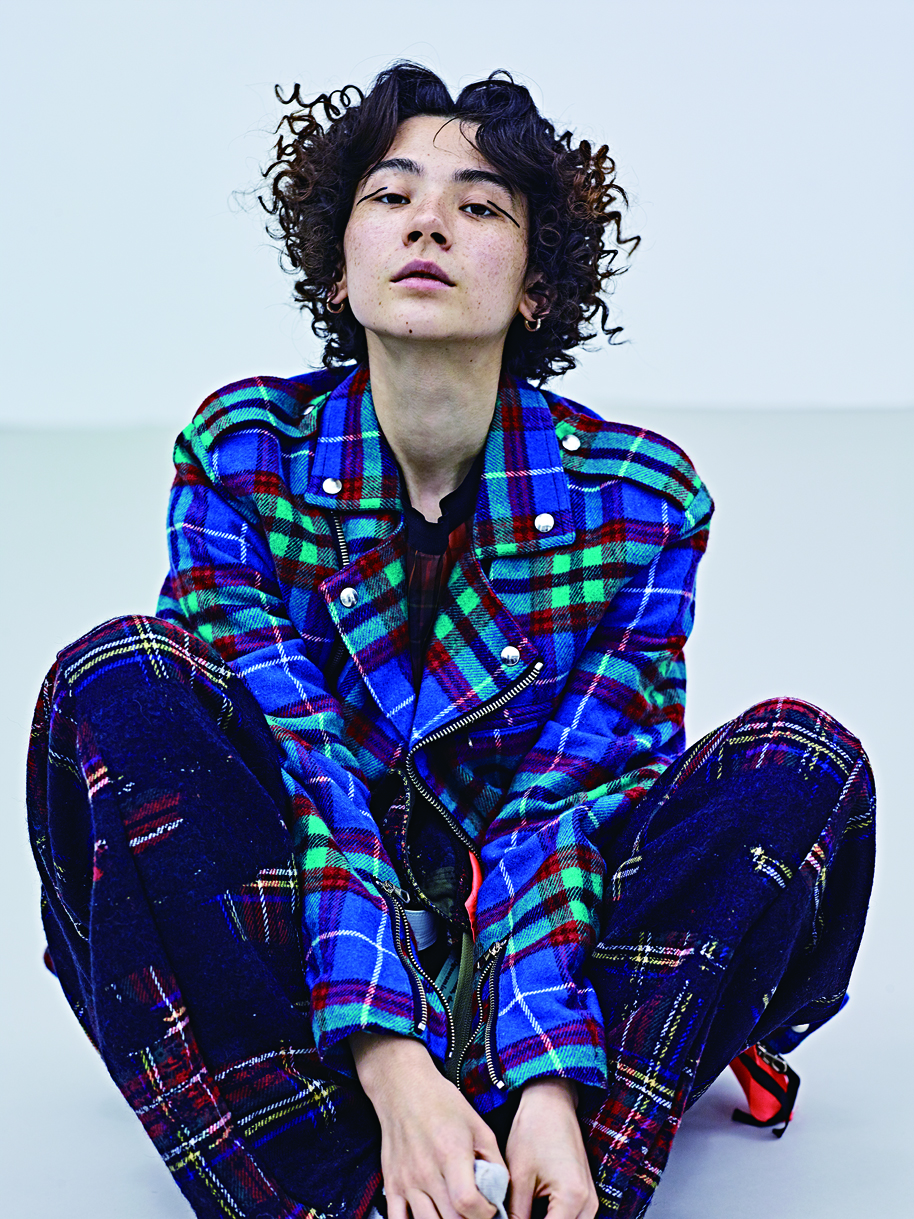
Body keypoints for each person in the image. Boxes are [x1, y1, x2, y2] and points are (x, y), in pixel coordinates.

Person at [26, 63, 875, 1219]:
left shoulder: (639, 498)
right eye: (390, 196)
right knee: (118, 681)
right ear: (339, 266)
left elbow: (568, 804)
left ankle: (551, 1166)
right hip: (302, 965)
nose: (427, 222)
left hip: (544, 960)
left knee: (800, 760)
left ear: (534, 287)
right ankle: (340, 1184)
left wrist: (543, 1079)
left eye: (477, 206)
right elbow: (307, 773)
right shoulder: (240, 453)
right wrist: (392, 1060)